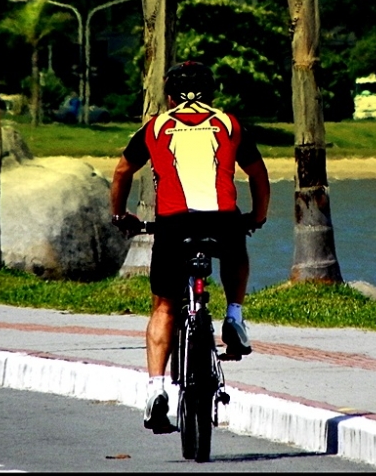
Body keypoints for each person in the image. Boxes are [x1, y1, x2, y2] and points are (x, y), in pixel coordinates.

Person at [109, 60, 271, 433]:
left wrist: (121, 216)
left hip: (174, 224)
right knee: (235, 247)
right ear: (212, 93)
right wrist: (256, 217)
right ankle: (234, 315)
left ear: (169, 96)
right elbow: (258, 174)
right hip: (221, 220)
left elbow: (122, 172)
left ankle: (155, 389)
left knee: (164, 305)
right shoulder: (229, 123)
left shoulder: (157, 126)